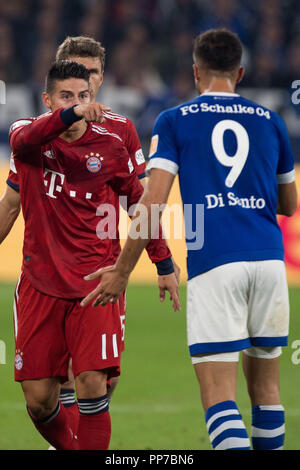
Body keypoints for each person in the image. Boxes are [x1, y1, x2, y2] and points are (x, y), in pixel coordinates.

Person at [81, 28, 298, 450]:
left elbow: (152, 203)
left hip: (216, 261)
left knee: (220, 397)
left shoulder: (176, 119)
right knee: (268, 394)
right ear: (240, 72)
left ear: (195, 71)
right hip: (271, 261)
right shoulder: (271, 120)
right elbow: (289, 203)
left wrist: (123, 270)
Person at [2, 35, 180, 435]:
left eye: (92, 77)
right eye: (71, 88)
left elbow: (139, 203)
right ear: (51, 95)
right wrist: (72, 113)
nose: (85, 89)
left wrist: (163, 261)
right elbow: (12, 201)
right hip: (41, 281)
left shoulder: (118, 135)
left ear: (100, 80)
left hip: (96, 278)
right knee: (39, 397)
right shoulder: (30, 135)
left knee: (95, 381)